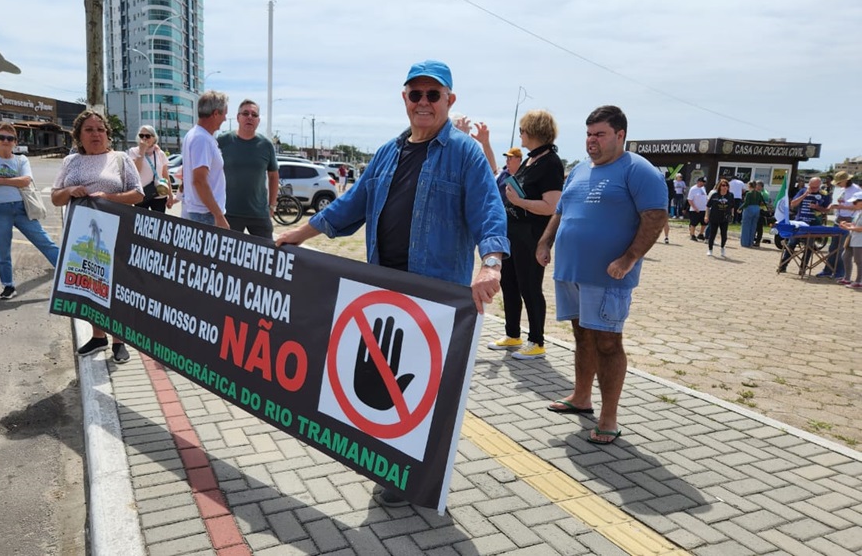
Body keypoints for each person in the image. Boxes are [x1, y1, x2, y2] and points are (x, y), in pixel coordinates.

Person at [275, 59, 508, 505]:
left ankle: (414, 476)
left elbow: (488, 212)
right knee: (382, 386)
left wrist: (491, 263)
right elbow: (348, 208)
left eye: (433, 95)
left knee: (424, 390)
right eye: (415, 94)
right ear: (404, 99)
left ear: (449, 101)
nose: (423, 102)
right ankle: (393, 466)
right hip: (383, 293)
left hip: (434, 298)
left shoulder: (465, 153)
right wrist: (297, 235)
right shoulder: (386, 152)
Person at [535, 105, 667, 445]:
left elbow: (654, 217)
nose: (592, 141)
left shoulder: (638, 171)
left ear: (620, 135)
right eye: (589, 134)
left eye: (600, 134)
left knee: (608, 342)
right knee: (582, 336)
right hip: (572, 271)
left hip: (608, 276)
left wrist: (629, 259)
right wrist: (546, 241)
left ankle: (609, 418)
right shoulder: (579, 170)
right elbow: (562, 210)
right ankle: (581, 397)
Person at [51, 110, 144, 363]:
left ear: (108, 134)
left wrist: (108, 198)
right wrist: (70, 190)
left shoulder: (120, 159)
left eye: (100, 129)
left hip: (115, 232)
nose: (96, 134)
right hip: (81, 234)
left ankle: (119, 341)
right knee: (89, 285)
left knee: (114, 286)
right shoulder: (71, 162)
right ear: (79, 136)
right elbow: (55, 197)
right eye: (89, 130)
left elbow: (137, 194)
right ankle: (98, 336)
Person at [488, 110, 563, 360]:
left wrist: (519, 202)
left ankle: (537, 341)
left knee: (530, 286)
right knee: (508, 283)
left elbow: (551, 206)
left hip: (531, 234)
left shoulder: (551, 163)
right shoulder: (531, 160)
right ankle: (513, 334)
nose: (520, 134)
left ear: (534, 131)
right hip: (513, 232)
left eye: (522, 130)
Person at [0, 122, 60, 300]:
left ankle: (67, 275)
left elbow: (26, 180)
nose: (6, 141)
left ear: (15, 142)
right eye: (2, 137)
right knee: (2, 249)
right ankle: (8, 286)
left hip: (20, 208)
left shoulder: (20, 160)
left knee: (44, 241)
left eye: (10, 138)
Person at [218, 99, 279, 239]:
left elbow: (274, 176)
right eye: (245, 113)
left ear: (258, 120)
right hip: (228, 213)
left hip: (259, 214)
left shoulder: (266, 145)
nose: (250, 117)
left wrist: (272, 206)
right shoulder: (222, 141)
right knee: (228, 257)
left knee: (265, 256)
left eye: (254, 114)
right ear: (238, 117)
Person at [181, 90, 229, 228]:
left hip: (201, 213)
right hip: (206, 215)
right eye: (224, 114)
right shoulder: (202, 139)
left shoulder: (194, 135)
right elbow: (199, 181)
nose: (225, 119)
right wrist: (218, 216)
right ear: (215, 114)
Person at [778, 177, 831, 272]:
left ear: (819, 186)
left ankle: (803, 268)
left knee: (809, 246)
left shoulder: (824, 194)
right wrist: (805, 195)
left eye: (816, 187)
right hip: (800, 222)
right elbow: (793, 204)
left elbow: (827, 210)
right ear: (809, 184)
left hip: (814, 223)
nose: (814, 189)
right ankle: (783, 265)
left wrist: (817, 207)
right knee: (792, 243)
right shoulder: (802, 191)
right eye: (812, 186)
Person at [815, 171, 860, 279]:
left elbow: (857, 207)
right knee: (832, 247)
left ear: (846, 180)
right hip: (838, 220)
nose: (838, 185)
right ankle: (828, 270)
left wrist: (841, 207)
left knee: (842, 248)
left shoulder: (856, 190)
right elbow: (835, 202)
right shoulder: (839, 189)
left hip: (849, 220)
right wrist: (830, 207)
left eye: (840, 182)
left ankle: (839, 272)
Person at [128, 125, 175, 214]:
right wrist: (142, 151)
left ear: (154, 138)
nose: (144, 138)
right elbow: (136, 171)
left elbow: (165, 175)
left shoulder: (159, 153)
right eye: (141, 136)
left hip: (159, 193)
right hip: (142, 194)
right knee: (141, 224)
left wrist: (170, 195)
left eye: (148, 136)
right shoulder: (133, 152)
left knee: (159, 222)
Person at [837, 194, 862, 288]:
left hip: (860, 240)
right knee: (845, 256)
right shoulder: (859, 212)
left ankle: (859, 281)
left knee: (859, 261)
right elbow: (856, 224)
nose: (853, 204)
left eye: (855, 202)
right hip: (853, 238)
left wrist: (849, 227)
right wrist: (847, 224)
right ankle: (847, 278)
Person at [705, 179, 735, 257]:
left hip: (725, 217)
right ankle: (710, 249)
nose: (725, 187)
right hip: (714, 216)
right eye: (723, 185)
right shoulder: (715, 195)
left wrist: (732, 215)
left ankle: (722, 248)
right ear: (720, 186)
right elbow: (708, 206)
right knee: (712, 233)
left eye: (726, 186)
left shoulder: (730, 195)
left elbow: (732, 206)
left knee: (724, 234)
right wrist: (706, 216)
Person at [663, 174, 675, 244]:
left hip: (657, 206)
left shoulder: (661, 188)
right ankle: (666, 237)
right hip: (665, 206)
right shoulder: (671, 191)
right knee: (665, 223)